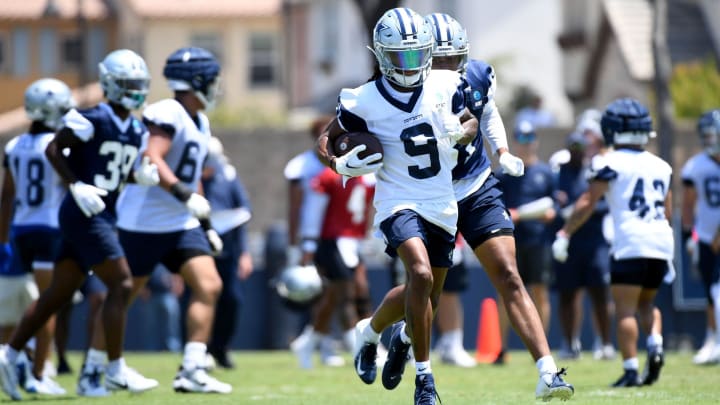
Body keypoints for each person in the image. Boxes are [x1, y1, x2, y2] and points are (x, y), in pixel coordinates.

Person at [317, 7, 480, 404]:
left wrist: (463, 132)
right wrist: (339, 162)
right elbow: (326, 138)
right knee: (421, 277)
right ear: (381, 56)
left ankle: (375, 331)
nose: (409, 66)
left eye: (415, 55)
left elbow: (471, 118)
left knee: (425, 294)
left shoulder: (445, 84)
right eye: (400, 57)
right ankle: (425, 383)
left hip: (442, 202)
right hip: (397, 202)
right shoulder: (363, 99)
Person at [426, 12, 573, 400]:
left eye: (453, 58)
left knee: (509, 274)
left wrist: (502, 150)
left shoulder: (475, 75)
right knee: (425, 286)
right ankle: (379, 333)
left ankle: (547, 372)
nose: (448, 67)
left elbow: (487, 110)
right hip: (430, 192)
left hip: (475, 185)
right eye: (439, 60)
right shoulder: (407, 91)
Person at [0, 49, 160, 401]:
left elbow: (113, 171)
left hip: (100, 214)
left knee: (56, 294)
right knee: (121, 283)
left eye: (138, 84)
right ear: (111, 85)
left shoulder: (134, 128)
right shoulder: (92, 117)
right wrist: (75, 184)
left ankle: (8, 353)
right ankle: (114, 368)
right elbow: (54, 149)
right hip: (83, 214)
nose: (135, 90)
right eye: (128, 84)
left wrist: (139, 176)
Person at [115, 46, 231, 394]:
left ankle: (192, 368)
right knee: (121, 296)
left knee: (209, 285)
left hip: (181, 223)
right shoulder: (168, 110)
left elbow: (191, 173)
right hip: (144, 221)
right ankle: (101, 365)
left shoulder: (200, 119)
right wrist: (184, 195)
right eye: (212, 80)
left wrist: (206, 223)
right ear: (198, 81)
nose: (216, 87)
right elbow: (153, 157)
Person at [553, 97, 673, 387]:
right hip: (660, 241)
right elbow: (668, 211)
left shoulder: (609, 162)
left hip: (630, 241)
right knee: (648, 303)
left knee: (625, 310)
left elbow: (586, 202)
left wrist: (565, 232)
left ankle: (631, 369)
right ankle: (655, 343)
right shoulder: (662, 165)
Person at [0, 78, 74, 395]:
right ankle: (38, 374)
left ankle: (11, 361)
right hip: (50, 229)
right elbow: (70, 187)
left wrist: (2, 240)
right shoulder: (59, 146)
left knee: (12, 309)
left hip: (19, 231)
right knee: (46, 305)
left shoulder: (14, 145)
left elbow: (7, 197)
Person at [290, 166, 375, 369]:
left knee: (337, 296)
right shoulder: (328, 176)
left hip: (352, 241)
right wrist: (309, 244)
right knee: (345, 295)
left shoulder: (368, 175)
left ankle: (308, 342)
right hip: (331, 240)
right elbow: (313, 211)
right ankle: (359, 350)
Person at [495, 121, 557, 357]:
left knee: (540, 292)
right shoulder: (504, 175)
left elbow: (554, 208)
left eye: (529, 138)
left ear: (536, 141)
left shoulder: (545, 173)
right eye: (521, 139)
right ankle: (502, 349)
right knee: (505, 293)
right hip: (509, 241)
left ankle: (542, 349)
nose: (526, 144)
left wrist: (546, 214)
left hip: (538, 241)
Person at [553, 131, 614, 360]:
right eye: (573, 147)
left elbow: (602, 205)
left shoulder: (594, 172)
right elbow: (554, 204)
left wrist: (577, 213)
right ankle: (569, 344)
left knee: (600, 294)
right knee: (567, 295)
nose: (577, 151)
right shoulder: (559, 174)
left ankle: (606, 343)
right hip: (569, 244)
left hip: (594, 241)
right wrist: (565, 213)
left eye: (581, 146)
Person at [202, 136, 254, 369]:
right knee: (202, 296)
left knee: (232, 299)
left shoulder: (228, 174)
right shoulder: (189, 177)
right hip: (199, 247)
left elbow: (242, 213)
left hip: (228, 249)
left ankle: (220, 348)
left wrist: (244, 252)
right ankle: (199, 349)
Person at [681, 109, 720, 364]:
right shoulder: (695, 166)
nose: (709, 139)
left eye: (712, 133)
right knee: (710, 291)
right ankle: (712, 339)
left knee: (717, 289)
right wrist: (690, 235)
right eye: (705, 134)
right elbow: (688, 205)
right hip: (706, 237)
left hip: (716, 236)